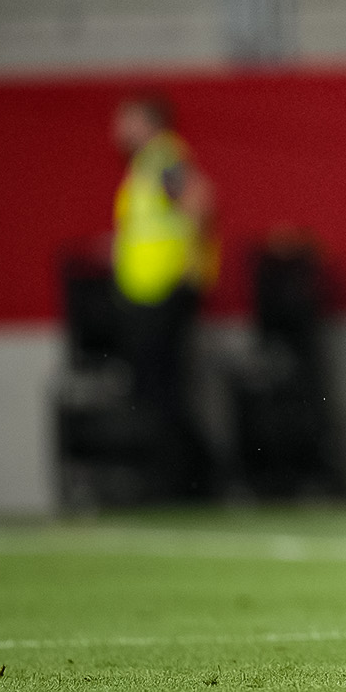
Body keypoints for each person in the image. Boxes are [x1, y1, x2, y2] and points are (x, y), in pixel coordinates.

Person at [110, 95, 217, 499]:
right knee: (155, 390)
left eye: (125, 120)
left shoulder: (161, 159)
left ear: (147, 122)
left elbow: (200, 201)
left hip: (165, 291)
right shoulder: (147, 166)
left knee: (163, 391)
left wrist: (190, 263)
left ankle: (184, 481)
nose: (117, 131)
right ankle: (180, 479)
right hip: (148, 292)